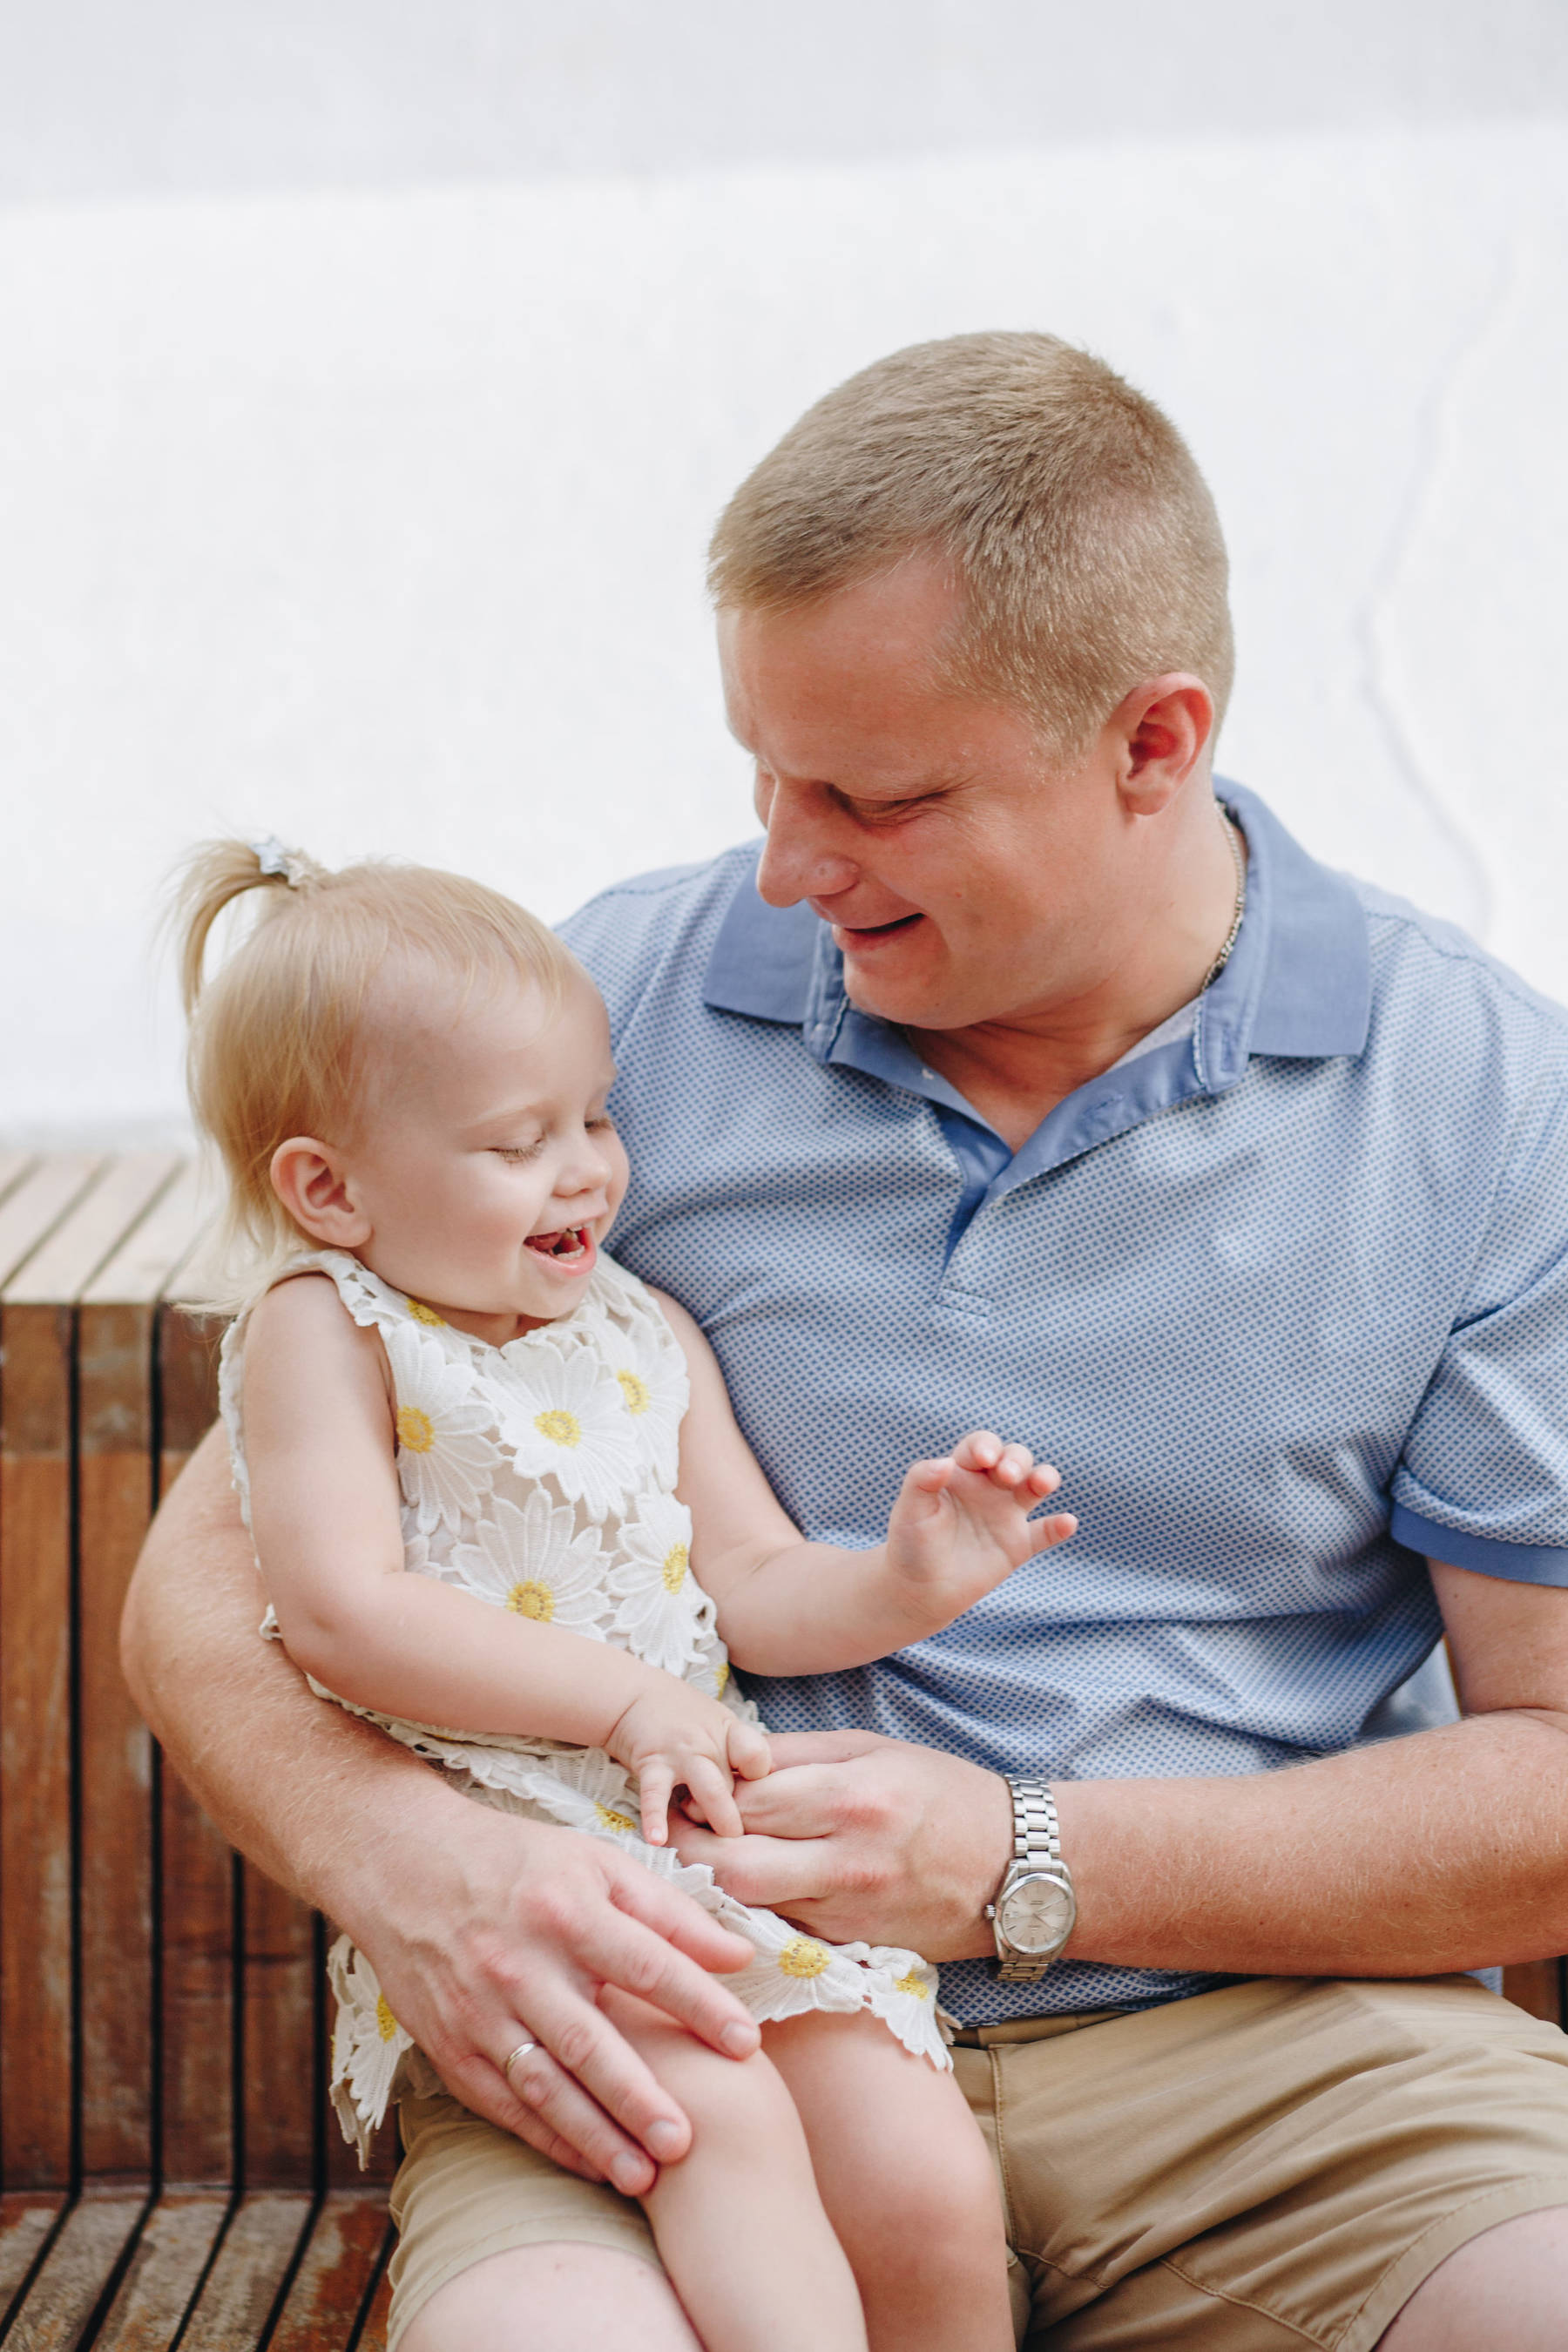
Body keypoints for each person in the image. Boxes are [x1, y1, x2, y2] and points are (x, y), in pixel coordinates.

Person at [124, 331, 1568, 2352]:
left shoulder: (1486, 1096)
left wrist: (1026, 1859)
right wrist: (414, 1862)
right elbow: (222, 1568)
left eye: (876, 797)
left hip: (1280, 2062)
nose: (789, 866)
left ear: (1156, 743)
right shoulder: (600, 1008)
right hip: (677, 2021)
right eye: (764, 771)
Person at [172, 838, 1072, 2351]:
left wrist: (909, 1579)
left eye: (595, 1115)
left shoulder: (639, 1325)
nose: (586, 1166)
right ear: (329, 1190)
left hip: (700, 1852)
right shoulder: (328, 1336)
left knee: (916, 2163)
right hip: (514, 1863)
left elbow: (755, 1589)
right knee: (714, 2121)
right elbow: (344, 1611)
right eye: (518, 1142)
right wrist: (628, 1703)